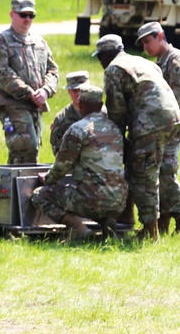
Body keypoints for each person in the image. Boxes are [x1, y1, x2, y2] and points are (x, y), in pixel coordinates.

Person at [94, 34, 180, 241]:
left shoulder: (114, 69)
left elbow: (116, 112)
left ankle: (151, 233)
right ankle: (169, 223)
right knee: (154, 171)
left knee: (143, 176)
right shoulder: (143, 62)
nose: (100, 63)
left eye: (100, 58)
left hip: (150, 123)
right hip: (172, 118)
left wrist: (115, 143)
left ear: (107, 54)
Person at [31, 84, 127, 242]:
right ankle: (107, 223)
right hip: (118, 202)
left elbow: (62, 166)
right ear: (101, 106)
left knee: (39, 195)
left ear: (80, 105)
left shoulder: (78, 129)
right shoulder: (114, 129)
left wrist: (46, 180)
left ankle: (77, 228)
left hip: (91, 201)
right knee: (97, 198)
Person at [137, 21, 180, 236]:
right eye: (142, 43)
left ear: (161, 36)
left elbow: (176, 98)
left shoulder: (175, 60)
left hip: (172, 126)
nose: (145, 47)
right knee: (160, 172)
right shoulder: (161, 61)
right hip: (163, 126)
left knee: (166, 172)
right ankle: (163, 222)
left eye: (148, 41)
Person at [0, 0, 59, 165]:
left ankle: (15, 189)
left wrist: (45, 91)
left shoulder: (39, 42)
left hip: (35, 104)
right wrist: (28, 92)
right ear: (12, 14)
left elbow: (53, 70)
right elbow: (0, 72)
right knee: (27, 146)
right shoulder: (0, 40)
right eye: (23, 15)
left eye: (31, 16)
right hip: (12, 103)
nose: (27, 19)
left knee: (26, 153)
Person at [48, 70, 91, 156]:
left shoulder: (100, 113)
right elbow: (57, 150)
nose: (78, 94)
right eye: (75, 91)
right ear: (69, 91)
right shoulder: (61, 118)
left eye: (81, 90)